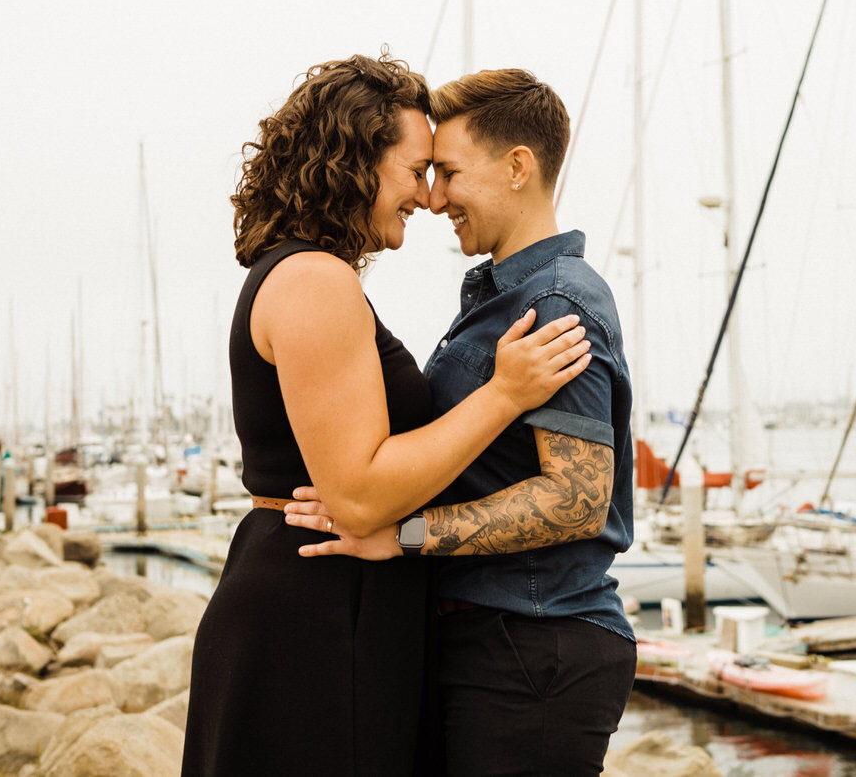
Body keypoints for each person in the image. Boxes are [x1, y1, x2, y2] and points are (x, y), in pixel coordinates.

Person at [180, 54, 593, 777]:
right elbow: (360, 493)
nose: (427, 196)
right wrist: (504, 394)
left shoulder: (304, 272)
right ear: (357, 162)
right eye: (416, 167)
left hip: (332, 603)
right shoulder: (314, 279)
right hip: (320, 613)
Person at [286, 68, 637, 777]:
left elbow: (575, 499)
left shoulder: (559, 302)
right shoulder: (500, 297)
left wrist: (403, 536)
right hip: (499, 637)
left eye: (449, 172)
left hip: (534, 640)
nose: (435, 196)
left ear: (518, 167)